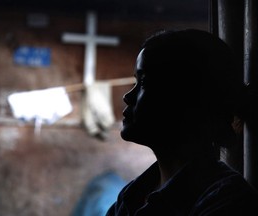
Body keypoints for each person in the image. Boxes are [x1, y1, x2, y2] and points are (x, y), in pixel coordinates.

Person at [106, 28, 258, 216]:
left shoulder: (228, 202)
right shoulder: (132, 196)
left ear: (186, 98)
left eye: (144, 83)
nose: (128, 96)